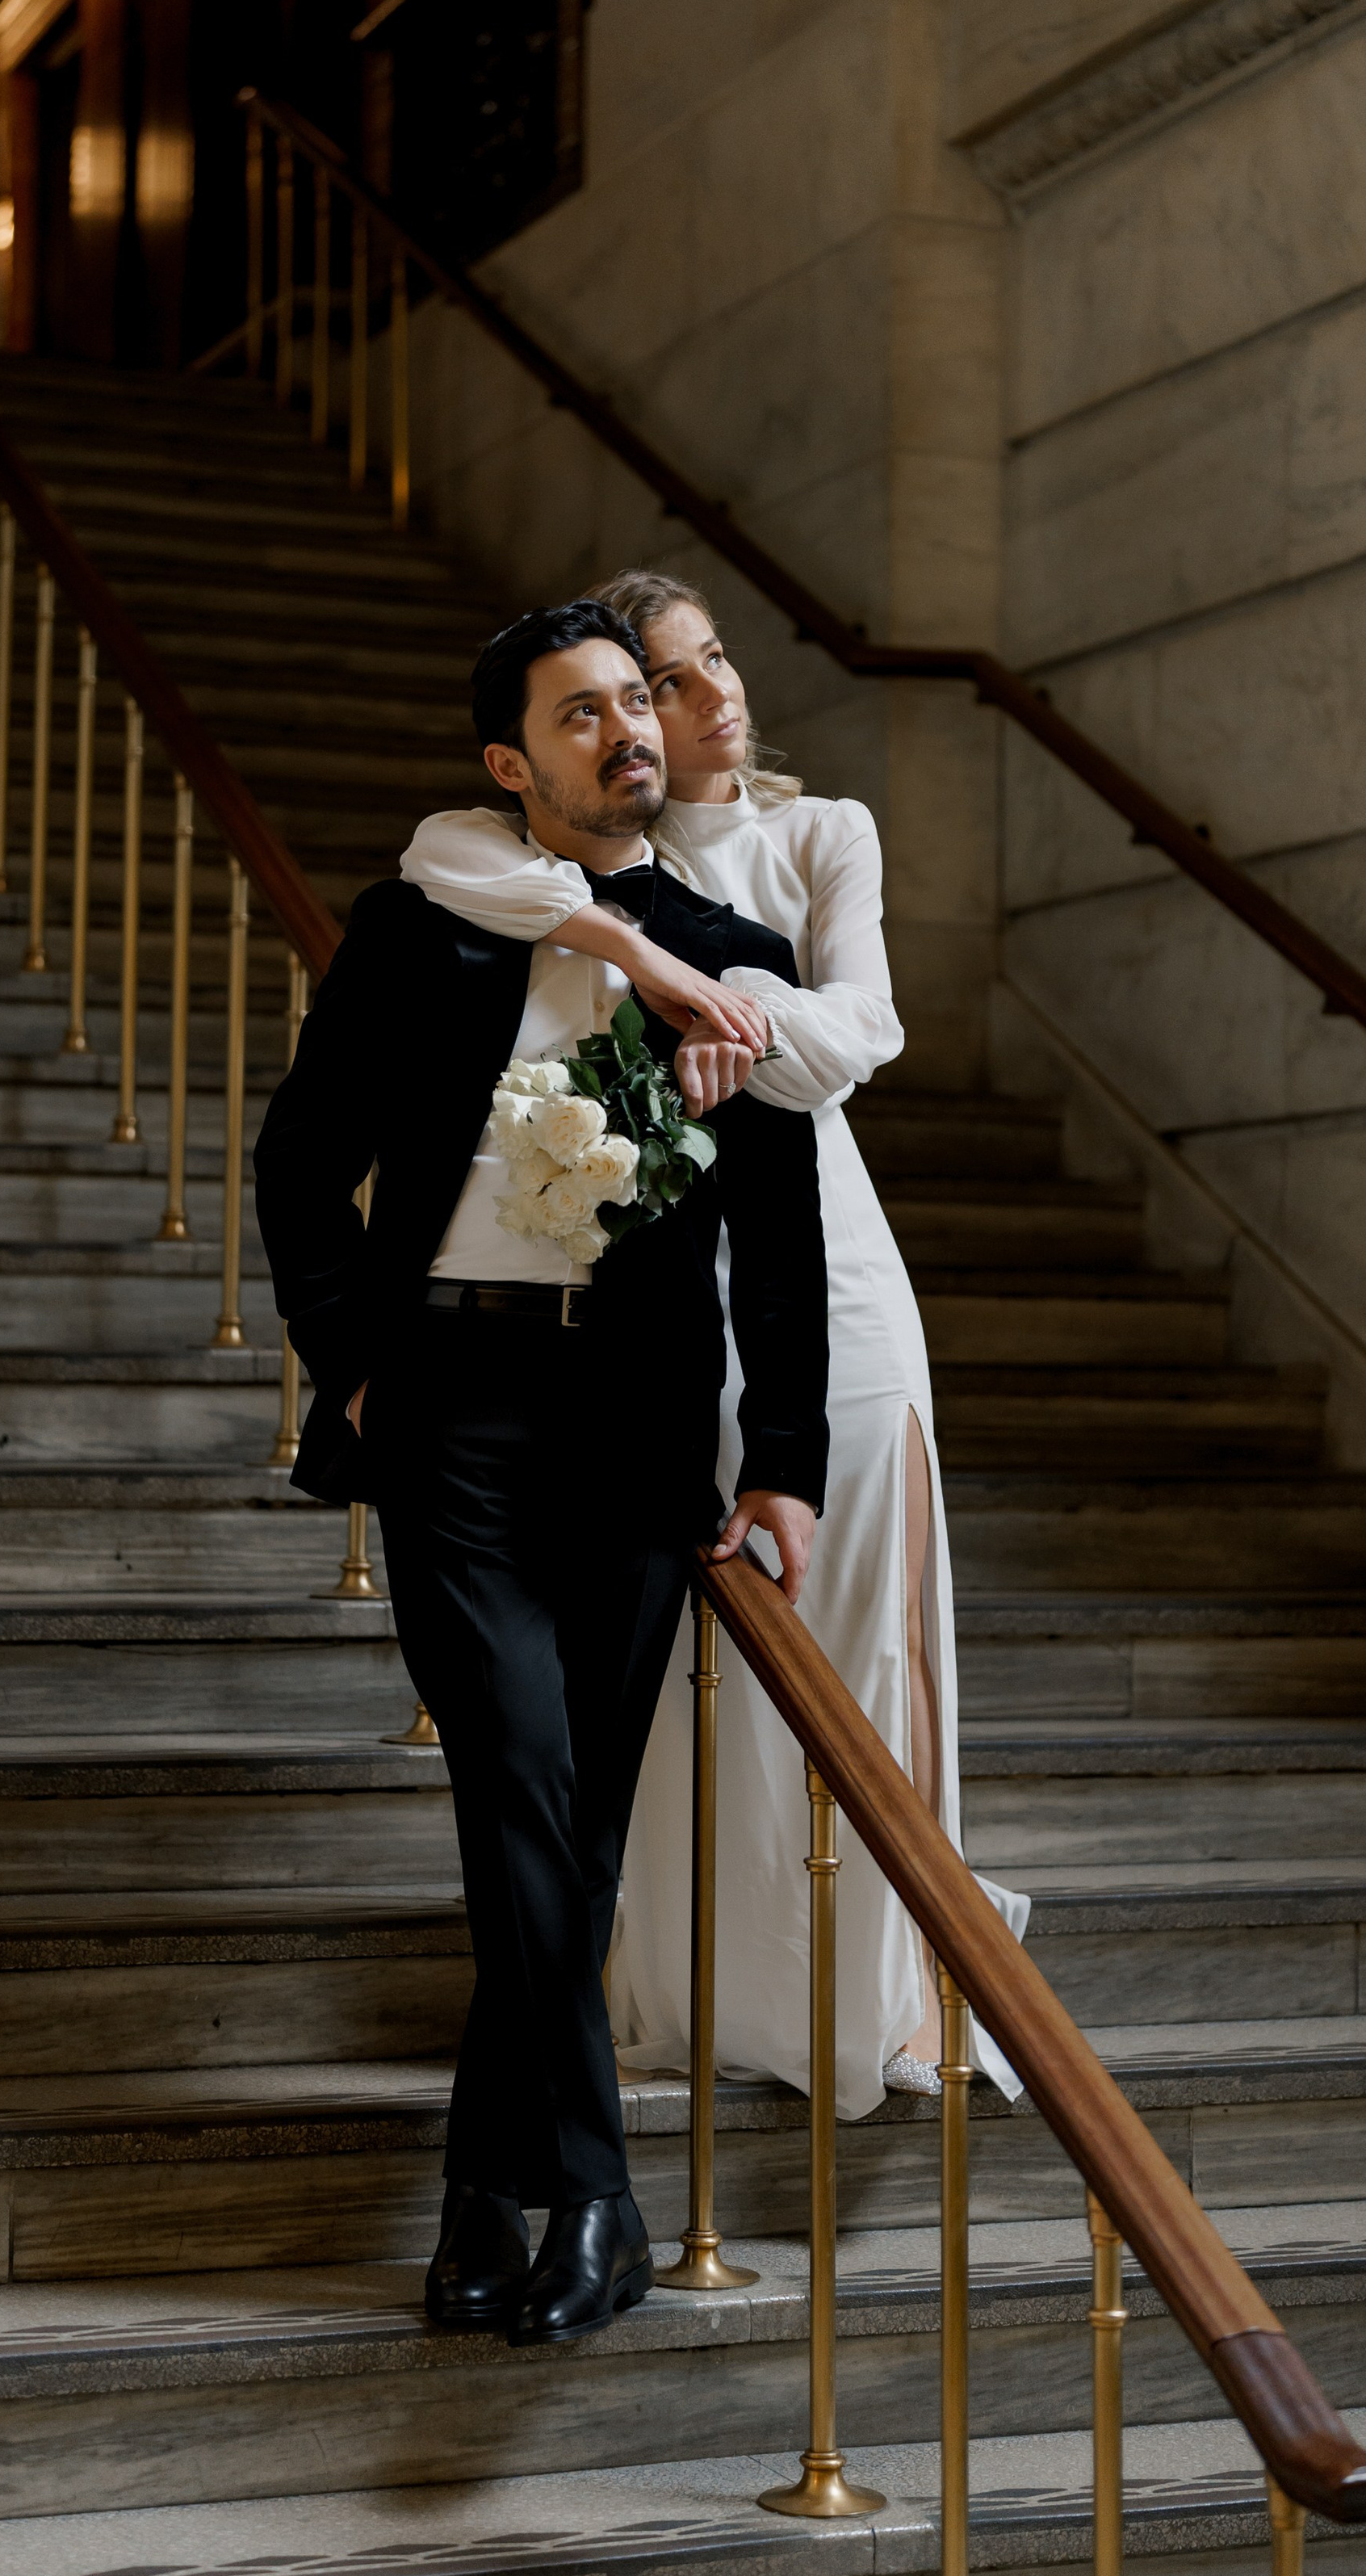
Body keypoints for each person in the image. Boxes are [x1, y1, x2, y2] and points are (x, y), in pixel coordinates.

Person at [254, 599, 830, 2347]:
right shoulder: (420, 927)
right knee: (512, 1776)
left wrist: (782, 1460)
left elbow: (779, 1242)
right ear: (513, 764)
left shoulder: (733, 956)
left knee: (572, 1832)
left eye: (632, 706)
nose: (625, 734)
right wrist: (354, 1352)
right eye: (577, 718)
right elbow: (298, 1162)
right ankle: (592, 2193)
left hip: (639, 1427)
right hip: (454, 1413)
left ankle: (475, 2188)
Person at [400, 573, 1029, 2114]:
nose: (709, 700)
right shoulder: (579, 859)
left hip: (829, 1262)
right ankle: (685, 1973)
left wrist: (716, 1002)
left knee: (848, 1619)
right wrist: (646, 951)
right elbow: (442, 860)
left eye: (708, 665)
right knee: (686, 1645)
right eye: (661, 685)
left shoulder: (823, 837)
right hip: (657, 1273)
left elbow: (855, 1038)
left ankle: (867, 1982)